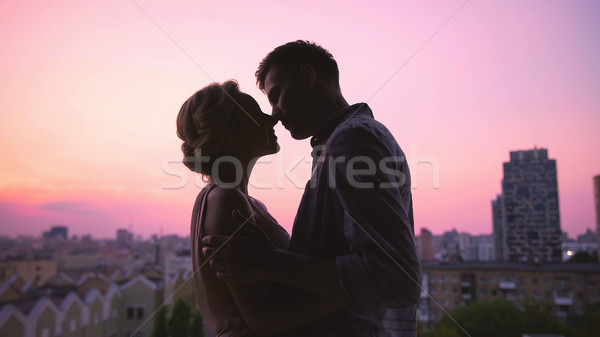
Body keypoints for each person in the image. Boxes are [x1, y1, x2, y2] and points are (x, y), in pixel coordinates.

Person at [203, 41, 422, 337]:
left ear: (308, 77)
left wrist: (270, 262)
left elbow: (397, 277)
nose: (276, 114)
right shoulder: (342, 143)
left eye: (277, 95)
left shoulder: (352, 140)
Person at [177, 80, 349, 337]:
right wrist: (352, 289)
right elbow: (265, 319)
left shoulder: (239, 201)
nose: (272, 121)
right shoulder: (226, 200)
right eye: (257, 114)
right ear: (231, 131)